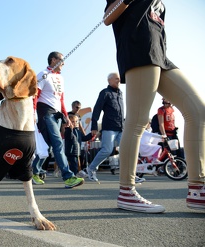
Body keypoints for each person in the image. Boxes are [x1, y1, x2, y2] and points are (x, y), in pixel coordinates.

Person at [104, 0, 205, 212]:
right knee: (138, 120)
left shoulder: (161, 4)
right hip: (139, 49)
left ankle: (198, 189)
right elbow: (108, 17)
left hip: (161, 55)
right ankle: (127, 191)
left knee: (198, 111)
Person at [32, 51, 84, 188]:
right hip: (45, 113)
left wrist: (66, 115)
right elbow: (35, 96)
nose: (64, 63)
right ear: (53, 60)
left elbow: (61, 99)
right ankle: (68, 177)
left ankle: (33, 171)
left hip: (57, 115)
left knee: (48, 145)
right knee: (58, 143)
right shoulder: (43, 74)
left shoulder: (61, 78)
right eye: (62, 60)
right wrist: (32, 113)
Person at [86, 72, 124, 182]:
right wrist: (94, 126)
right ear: (109, 81)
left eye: (119, 79)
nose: (119, 81)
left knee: (127, 150)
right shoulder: (105, 92)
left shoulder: (120, 93)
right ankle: (91, 168)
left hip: (121, 127)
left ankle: (129, 174)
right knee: (107, 150)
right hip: (109, 127)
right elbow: (97, 109)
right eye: (116, 79)